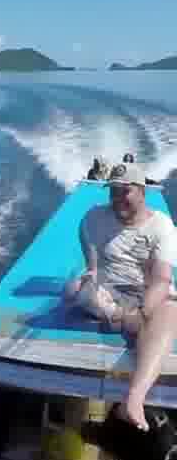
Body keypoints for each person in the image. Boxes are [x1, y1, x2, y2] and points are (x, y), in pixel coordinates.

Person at [68, 164, 172, 433]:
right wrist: (90, 271)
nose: (117, 198)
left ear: (141, 191)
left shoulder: (161, 226)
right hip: (108, 287)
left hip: (142, 291)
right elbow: (87, 244)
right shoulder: (94, 217)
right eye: (113, 192)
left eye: (124, 191)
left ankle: (133, 400)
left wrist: (143, 311)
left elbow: (161, 280)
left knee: (170, 311)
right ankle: (116, 316)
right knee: (73, 289)